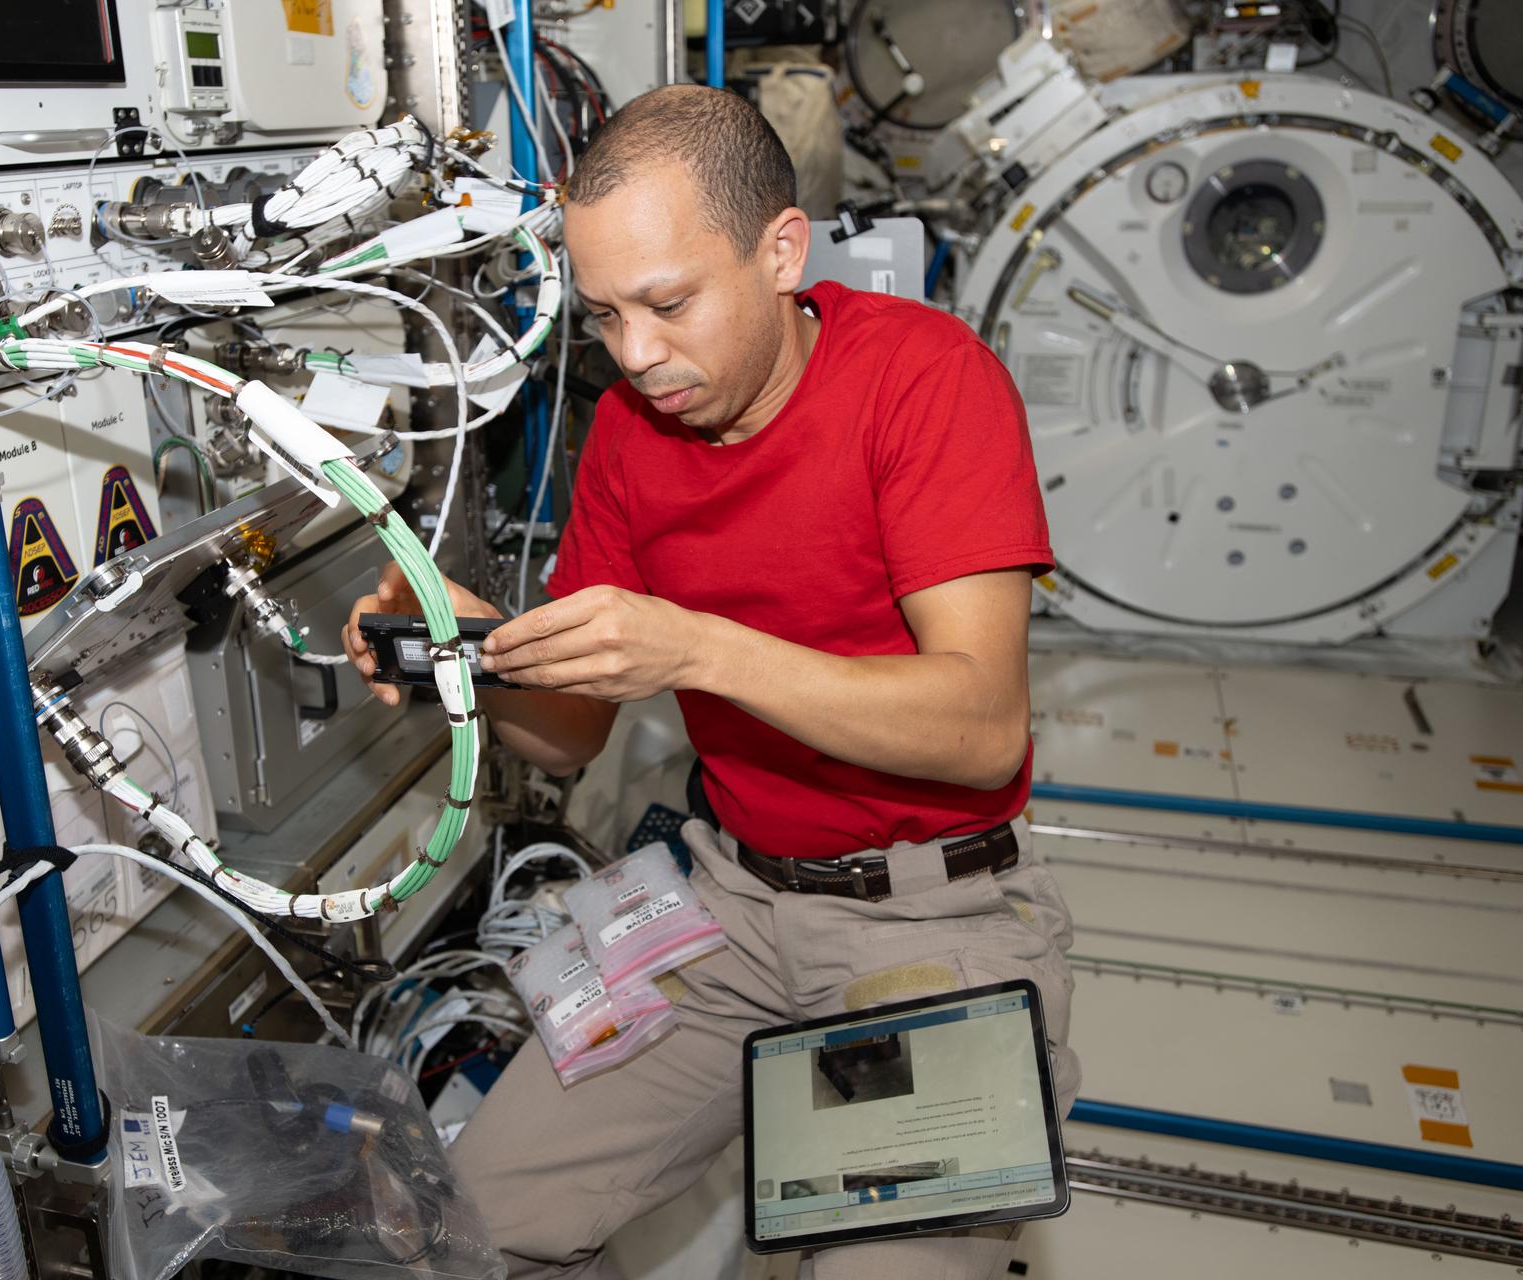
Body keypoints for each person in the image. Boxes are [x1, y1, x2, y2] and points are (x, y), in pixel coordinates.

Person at [343, 84, 1077, 1280]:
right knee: (462, 1229)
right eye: (604, 315)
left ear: (781, 252)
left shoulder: (925, 379)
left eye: (669, 304)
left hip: (929, 915)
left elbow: (982, 727)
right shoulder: (632, 436)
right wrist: (476, 652)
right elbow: (571, 738)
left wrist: (694, 648)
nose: (636, 355)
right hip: (727, 901)